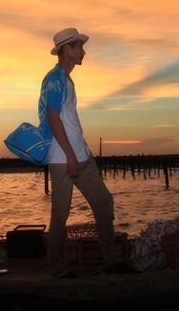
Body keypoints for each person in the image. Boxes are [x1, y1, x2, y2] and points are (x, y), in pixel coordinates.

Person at [40, 27, 128, 276]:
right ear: (66, 50)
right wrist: (69, 156)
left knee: (103, 202)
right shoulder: (54, 78)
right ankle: (57, 267)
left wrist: (81, 152)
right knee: (61, 214)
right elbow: (53, 117)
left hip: (81, 155)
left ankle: (112, 262)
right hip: (63, 158)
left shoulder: (67, 79)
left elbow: (67, 120)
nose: (83, 51)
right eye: (78, 46)